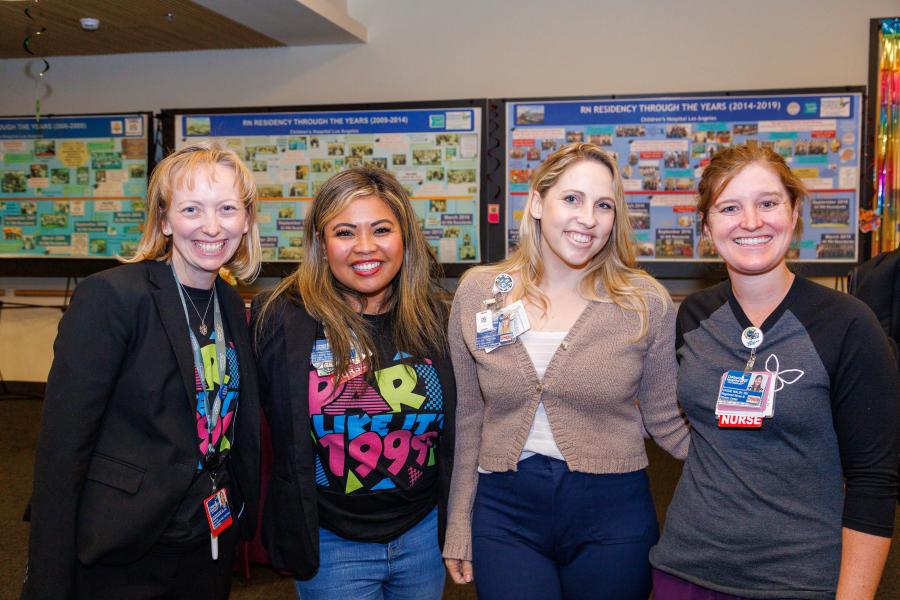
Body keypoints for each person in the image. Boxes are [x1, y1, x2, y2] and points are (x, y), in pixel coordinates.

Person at [650, 144, 900, 599]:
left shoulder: (848, 324)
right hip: (685, 572)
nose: (751, 222)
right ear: (707, 227)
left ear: (794, 211)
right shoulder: (691, 317)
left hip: (798, 582)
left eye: (768, 203)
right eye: (730, 208)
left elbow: (873, 480)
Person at [443, 142, 689, 600]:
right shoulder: (479, 292)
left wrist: (746, 465)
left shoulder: (644, 302)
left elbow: (664, 419)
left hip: (613, 511)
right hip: (504, 511)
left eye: (603, 205)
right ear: (537, 202)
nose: (588, 219)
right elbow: (468, 419)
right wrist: (459, 523)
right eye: (571, 199)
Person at [22, 142, 262, 599]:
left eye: (227, 208)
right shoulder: (112, 298)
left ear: (247, 220)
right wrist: (48, 577)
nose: (212, 226)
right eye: (192, 209)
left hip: (207, 537)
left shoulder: (229, 302)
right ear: (165, 220)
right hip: (126, 544)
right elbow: (62, 449)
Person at [252, 167, 455, 600]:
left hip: (423, 537)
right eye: (345, 232)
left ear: (405, 238)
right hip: (330, 543)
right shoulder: (280, 319)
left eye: (381, 229)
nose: (365, 247)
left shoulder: (441, 320)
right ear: (322, 245)